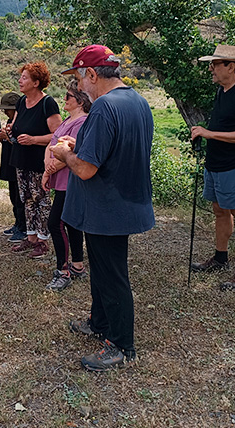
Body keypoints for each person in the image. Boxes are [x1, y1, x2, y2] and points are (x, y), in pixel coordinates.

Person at [52, 44, 155, 371]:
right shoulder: (138, 102)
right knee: (102, 268)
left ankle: (122, 345)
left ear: (93, 74)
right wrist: (77, 146)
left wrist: (64, 153)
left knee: (112, 276)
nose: (79, 88)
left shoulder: (104, 108)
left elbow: (84, 168)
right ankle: (99, 323)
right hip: (121, 203)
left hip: (107, 207)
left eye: (80, 80)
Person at [190, 44, 235, 290]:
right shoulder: (222, 91)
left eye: (215, 64)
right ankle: (220, 257)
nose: (211, 68)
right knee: (220, 210)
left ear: (231, 67)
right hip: (216, 163)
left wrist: (209, 134)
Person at [6, 62, 62, 258]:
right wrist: (10, 130)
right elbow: (16, 125)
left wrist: (34, 140)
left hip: (40, 161)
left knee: (42, 200)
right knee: (27, 200)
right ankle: (30, 238)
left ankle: (43, 241)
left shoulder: (48, 104)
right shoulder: (22, 101)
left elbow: (58, 135)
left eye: (24, 77)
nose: (20, 80)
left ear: (36, 82)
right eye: (21, 77)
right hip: (21, 159)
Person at [42, 80, 90, 290]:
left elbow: (75, 152)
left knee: (55, 223)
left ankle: (64, 271)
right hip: (59, 178)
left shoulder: (82, 123)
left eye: (68, 96)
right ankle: (78, 265)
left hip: (69, 180)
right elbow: (52, 143)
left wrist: (53, 167)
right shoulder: (67, 121)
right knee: (71, 223)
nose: (64, 99)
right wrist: (47, 167)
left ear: (80, 101)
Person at [0, 92, 26, 242]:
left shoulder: (22, 123)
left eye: (8, 109)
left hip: (19, 164)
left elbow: (20, 143)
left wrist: (7, 137)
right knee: (13, 195)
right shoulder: (9, 122)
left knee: (20, 197)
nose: (5, 112)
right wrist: (2, 137)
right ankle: (17, 223)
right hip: (9, 163)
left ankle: (23, 227)